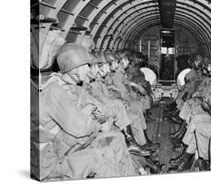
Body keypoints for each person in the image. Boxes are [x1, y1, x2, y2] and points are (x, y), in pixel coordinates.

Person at [37, 44, 138, 181]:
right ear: (74, 70)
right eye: (86, 66)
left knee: (117, 138)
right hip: (51, 161)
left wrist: (92, 113)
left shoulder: (74, 88)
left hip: (70, 146)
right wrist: (93, 115)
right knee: (100, 158)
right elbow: (82, 129)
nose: (89, 70)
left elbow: (99, 111)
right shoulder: (54, 91)